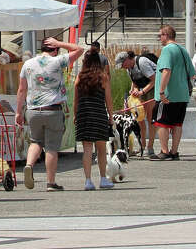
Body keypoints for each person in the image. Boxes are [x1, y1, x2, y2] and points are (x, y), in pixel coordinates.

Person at [16, 36, 84, 191]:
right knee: (51, 147)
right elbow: (80, 50)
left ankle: (29, 165)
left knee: (35, 141)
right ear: (55, 49)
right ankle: (51, 182)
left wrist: (19, 112)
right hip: (53, 109)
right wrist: (59, 43)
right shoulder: (58, 61)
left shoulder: (28, 64)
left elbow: (21, 89)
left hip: (33, 110)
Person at [148, 25, 194, 161]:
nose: (159, 38)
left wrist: (161, 92)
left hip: (168, 95)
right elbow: (192, 73)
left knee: (162, 122)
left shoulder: (167, 50)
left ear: (166, 35)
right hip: (182, 94)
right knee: (177, 124)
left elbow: (166, 71)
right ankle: (174, 151)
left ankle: (164, 151)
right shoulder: (183, 50)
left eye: (160, 35)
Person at [74, 47, 114, 190]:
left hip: (84, 114)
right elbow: (108, 99)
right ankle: (103, 179)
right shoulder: (103, 77)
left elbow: (76, 99)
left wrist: (75, 114)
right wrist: (111, 116)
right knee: (101, 149)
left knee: (87, 149)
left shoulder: (80, 77)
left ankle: (88, 181)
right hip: (98, 113)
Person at [115, 50, 159, 156]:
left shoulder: (142, 62)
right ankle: (142, 145)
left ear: (127, 60)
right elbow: (134, 81)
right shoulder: (129, 69)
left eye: (123, 65)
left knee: (150, 118)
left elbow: (154, 79)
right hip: (141, 89)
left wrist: (142, 92)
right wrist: (133, 90)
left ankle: (150, 146)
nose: (123, 67)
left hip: (152, 88)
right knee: (139, 118)